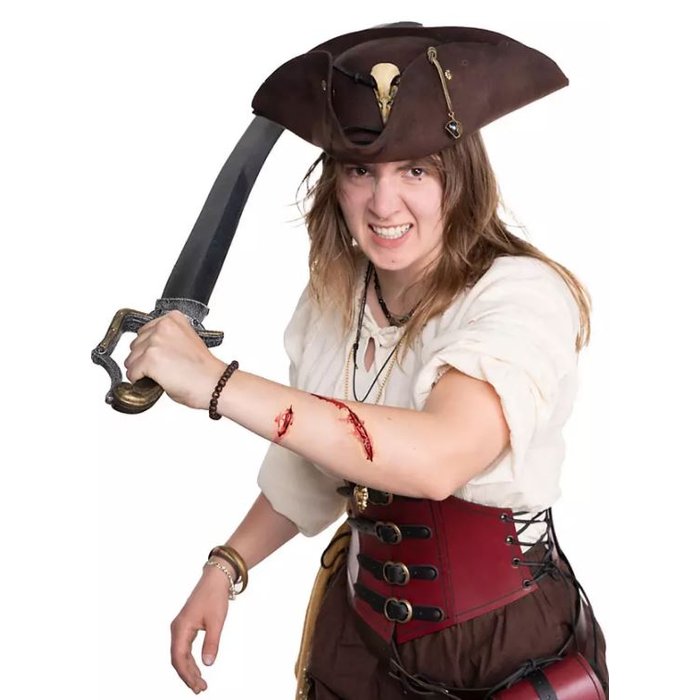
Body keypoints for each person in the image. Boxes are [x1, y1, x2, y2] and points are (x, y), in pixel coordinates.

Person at [124, 25, 609, 699]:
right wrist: (227, 565)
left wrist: (217, 383)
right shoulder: (336, 299)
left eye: (416, 170)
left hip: (497, 650)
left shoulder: (521, 294)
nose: (384, 204)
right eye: (360, 171)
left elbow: (439, 457)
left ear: (461, 177)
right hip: (358, 637)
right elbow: (312, 463)